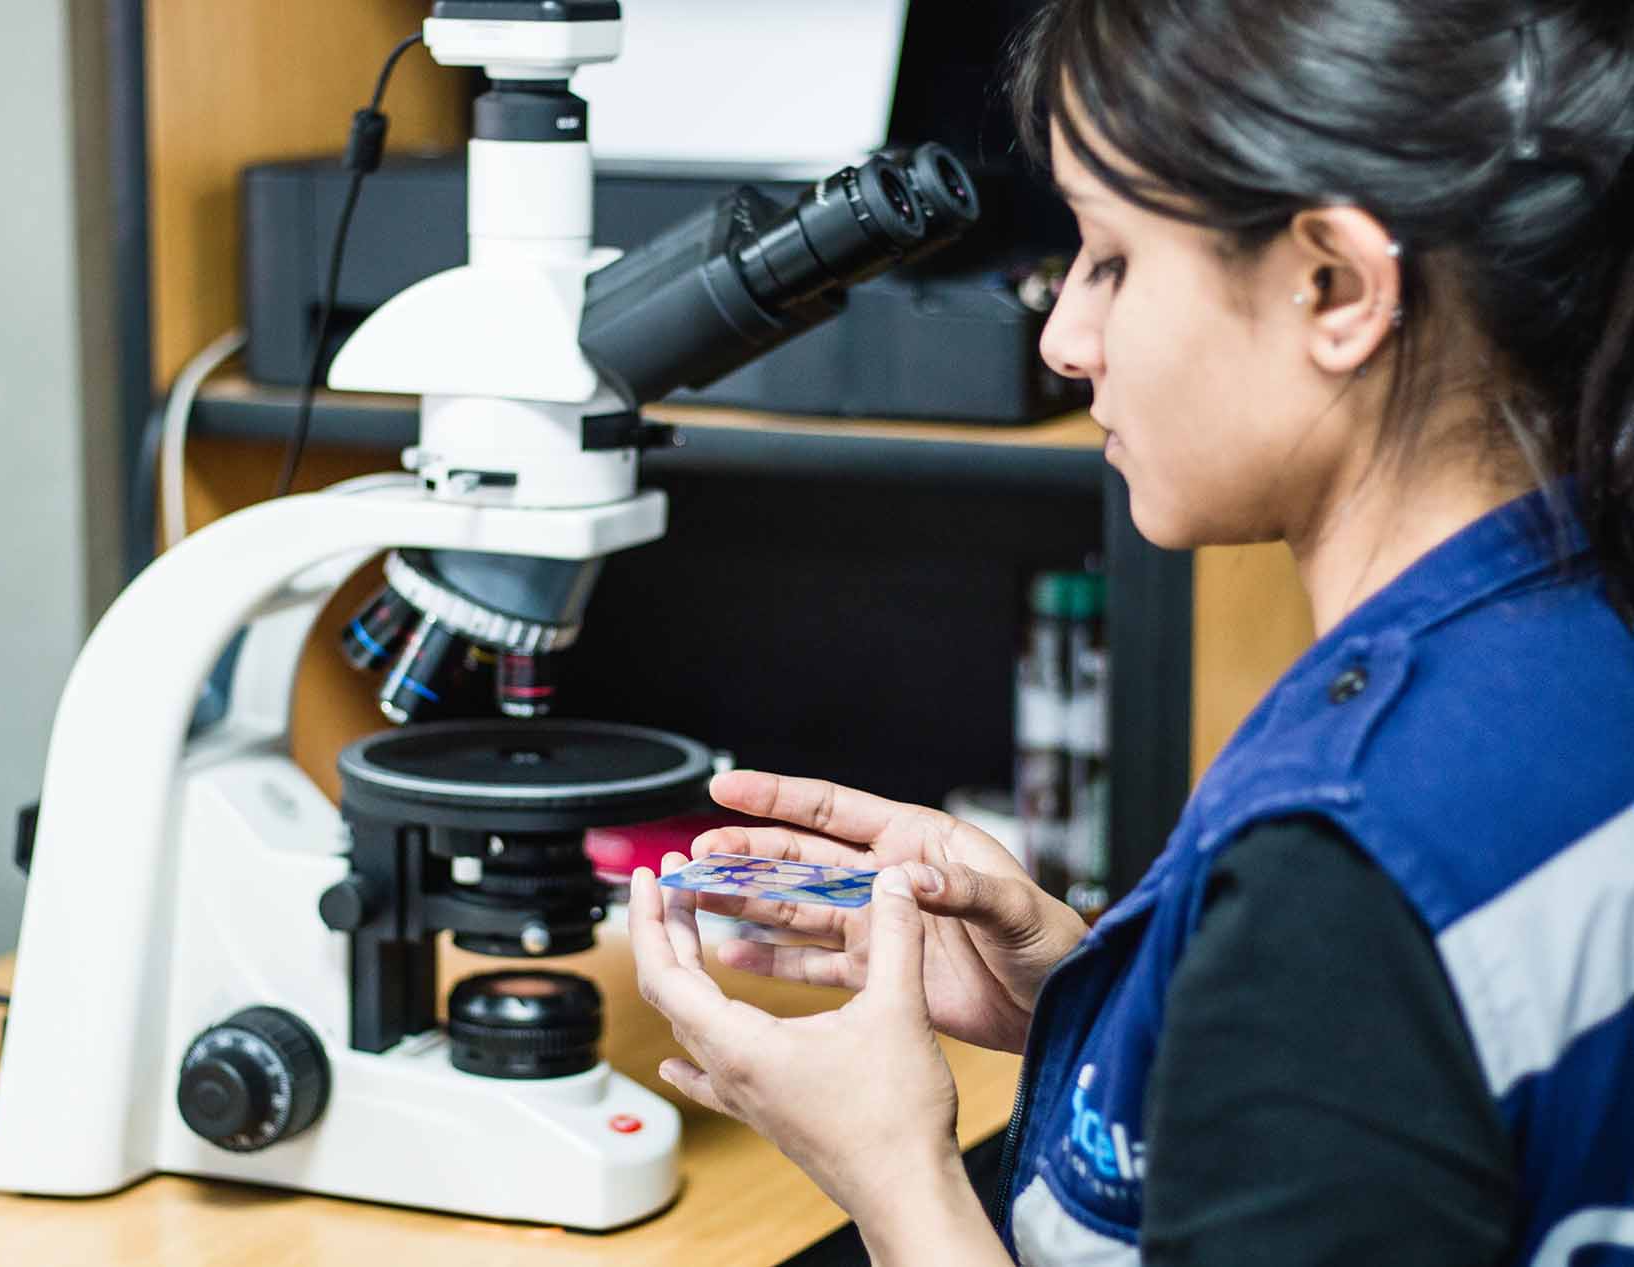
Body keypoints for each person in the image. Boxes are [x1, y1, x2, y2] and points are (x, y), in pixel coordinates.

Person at [629, 1, 1634, 1263]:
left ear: (1333, 286)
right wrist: (1093, 988)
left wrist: (888, 1171)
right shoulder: (1577, 639)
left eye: (1110, 260)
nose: (1062, 340)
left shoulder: (1339, 862)